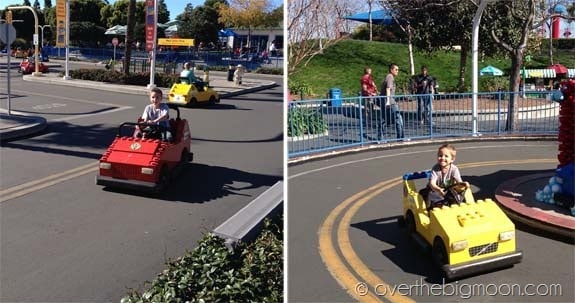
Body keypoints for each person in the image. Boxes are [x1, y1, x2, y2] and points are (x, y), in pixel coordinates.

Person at [426, 144, 470, 208]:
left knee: (457, 199)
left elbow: (459, 182)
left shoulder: (454, 169)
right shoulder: (435, 169)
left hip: (448, 190)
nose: (443, 158)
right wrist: (438, 189)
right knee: (436, 200)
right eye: (440, 155)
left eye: (446, 156)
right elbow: (432, 183)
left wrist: (464, 184)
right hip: (435, 190)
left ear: (452, 159)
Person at [379, 63, 405, 140]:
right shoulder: (390, 77)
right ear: (391, 70)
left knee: (384, 119)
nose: (397, 71)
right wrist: (388, 101)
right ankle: (400, 137)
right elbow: (388, 89)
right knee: (398, 118)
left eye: (398, 70)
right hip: (390, 102)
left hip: (387, 101)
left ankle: (380, 138)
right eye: (396, 69)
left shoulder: (388, 77)